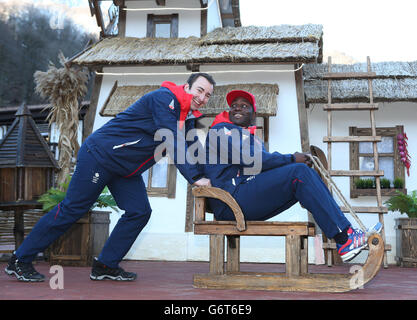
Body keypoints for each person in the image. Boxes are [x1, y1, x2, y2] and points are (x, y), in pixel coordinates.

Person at [5, 73, 215, 282]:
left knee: (139, 212)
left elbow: (192, 149)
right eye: (199, 90)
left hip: (125, 169)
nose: (202, 97)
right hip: (100, 156)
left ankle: (106, 265)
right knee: (72, 208)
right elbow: (172, 141)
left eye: (207, 95)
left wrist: (210, 177)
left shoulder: (187, 117)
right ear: (187, 87)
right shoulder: (164, 99)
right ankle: (20, 260)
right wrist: (195, 177)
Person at [204, 89, 381, 263]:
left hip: (243, 198)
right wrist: (291, 159)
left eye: (244, 106)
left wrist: (294, 161)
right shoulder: (222, 129)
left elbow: (261, 168)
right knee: (299, 172)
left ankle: (346, 235)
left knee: (301, 175)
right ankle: (345, 238)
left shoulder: (251, 139)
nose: (237, 108)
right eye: (234, 106)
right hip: (229, 201)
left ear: (253, 114)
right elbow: (253, 160)